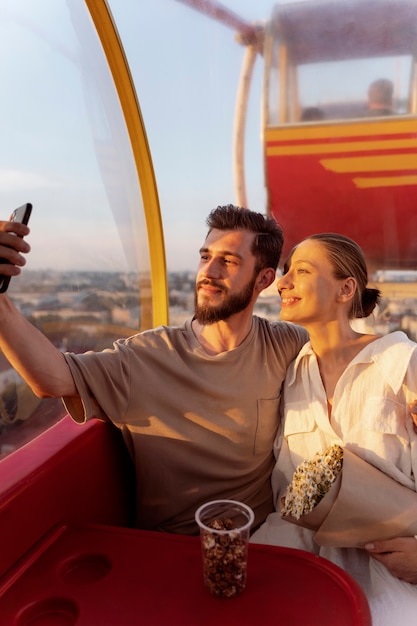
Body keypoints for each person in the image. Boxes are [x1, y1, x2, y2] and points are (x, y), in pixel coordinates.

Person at [0, 204, 308, 535]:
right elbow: (51, 377)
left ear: (264, 279)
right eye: (205, 257)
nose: (209, 272)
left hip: (268, 540)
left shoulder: (286, 344)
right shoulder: (146, 357)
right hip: (172, 549)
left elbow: (352, 360)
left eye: (229, 261)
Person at [251, 233, 417, 623]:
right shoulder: (291, 374)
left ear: (346, 289)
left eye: (302, 271)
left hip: (387, 575)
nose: (283, 282)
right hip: (298, 565)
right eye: (286, 270)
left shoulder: (401, 362)